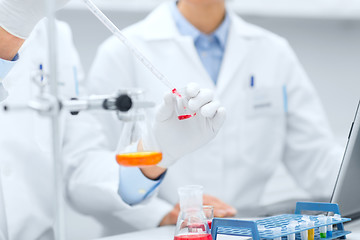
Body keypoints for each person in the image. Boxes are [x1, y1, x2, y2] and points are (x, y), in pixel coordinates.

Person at [88, 0, 343, 229]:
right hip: (152, 232)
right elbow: (90, 173)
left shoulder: (274, 52)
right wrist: (163, 213)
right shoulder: (120, 53)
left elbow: (318, 161)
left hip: (243, 227)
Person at [0, 0, 225, 238]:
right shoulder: (25, 17)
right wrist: (8, 32)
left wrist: (154, 154)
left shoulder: (55, 37)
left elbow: (79, 165)